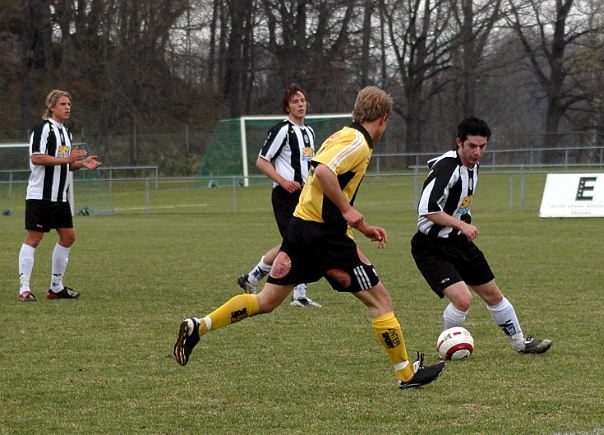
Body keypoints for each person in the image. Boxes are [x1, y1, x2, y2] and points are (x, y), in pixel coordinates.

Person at [175, 86, 446, 389]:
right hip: (325, 238)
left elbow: (327, 189)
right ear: (383, 119)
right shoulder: (357, 141)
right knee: (381, 302)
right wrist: (347, 212)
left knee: (265, 301)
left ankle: (200, 326)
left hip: (300, 229)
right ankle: (406, 375)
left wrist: (361, 225)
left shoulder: (343, 135)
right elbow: (323, 173)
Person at [410, 117, 552, 354]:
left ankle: (521, 344)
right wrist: (462, 225)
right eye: (472, 146)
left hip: (459, 242)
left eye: (482, 146)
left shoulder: (473, 166)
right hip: (431, 247)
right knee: (463, 299)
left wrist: (462, 224)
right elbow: (427, 208)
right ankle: (446, 349)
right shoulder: (448, 167)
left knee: (493, 294)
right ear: (459, 143)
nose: (477, 152)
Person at [237, 84, 321, 308]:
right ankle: (298, 295)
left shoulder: (310, 132)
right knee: (298, 243)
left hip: (305, 197)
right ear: (287, 106)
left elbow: (310, 164)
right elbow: (261, 161)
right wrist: (282, 181)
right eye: (295, 101)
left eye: (302, 100)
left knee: (297, 242)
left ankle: (252, 278)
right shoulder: (282, 130)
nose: (300, 104)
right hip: (285, 196)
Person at [17, 90, 101, 302]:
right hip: (40, 196)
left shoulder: (66, 133)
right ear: (52, 107)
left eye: (69, 104)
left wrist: (81, 163)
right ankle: (24, 288)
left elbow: (65, 164)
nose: (67, 107)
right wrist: (66, 159)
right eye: (63, 104)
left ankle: (56, 287)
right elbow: (36, 158)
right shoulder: (43, 129)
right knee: (34, 238)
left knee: (68, 236)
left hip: (59, 198)